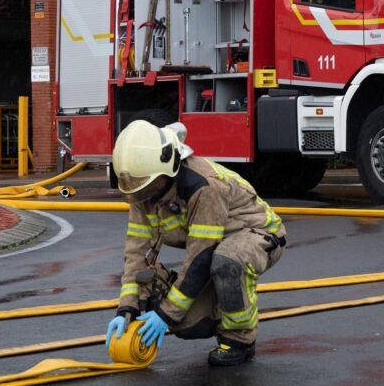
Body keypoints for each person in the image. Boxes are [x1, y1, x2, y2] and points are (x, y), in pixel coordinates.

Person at [104, 120, 286, 366]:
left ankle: (240, 340)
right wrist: (127, 308)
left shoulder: (203, 187)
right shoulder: (144, 190)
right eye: (135, 188)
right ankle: (219, 308)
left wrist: (166, 313)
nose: (140, 195)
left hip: (257, 236)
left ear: (166, 170)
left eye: (145, 186)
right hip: (214, 247)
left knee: (227, 261)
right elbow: (137, 251)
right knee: (181, 318)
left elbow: (200, 256)